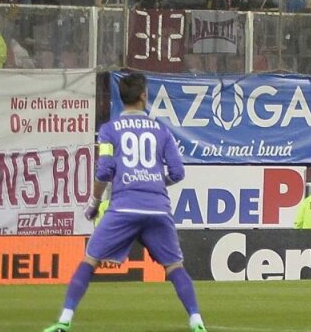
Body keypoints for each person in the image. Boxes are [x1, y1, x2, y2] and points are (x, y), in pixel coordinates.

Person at [44, 73, 206, 332]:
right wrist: (153, 181)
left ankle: (64, 320)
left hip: (124, 207)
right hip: (157, 209)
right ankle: (197, 321)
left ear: (122, 98)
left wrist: (95, 202)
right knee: (174, 267)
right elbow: (178, 172)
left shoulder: (108, 130)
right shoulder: (162, 131)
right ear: (144, 95)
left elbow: (104, 171)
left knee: (89, 261)